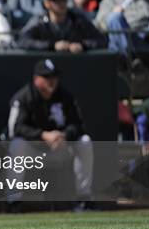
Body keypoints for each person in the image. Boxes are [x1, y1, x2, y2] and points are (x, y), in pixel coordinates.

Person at [7, 59, 93, 207]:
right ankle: (14, 202)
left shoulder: (66, 97)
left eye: (54, 77)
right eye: (47, 77)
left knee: (84, 141)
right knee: (17, 145)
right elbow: (15, 129)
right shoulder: (23, 97)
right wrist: (43, 135)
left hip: (60, 148)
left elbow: (77, 124)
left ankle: (84, 198)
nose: (51, 81)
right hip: (33, 151)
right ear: (36, 79)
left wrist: (64, 135)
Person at [18, 0, 107, 52]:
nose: (61, 3)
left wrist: (83, 45)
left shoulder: (77, 19)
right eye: (56, 0)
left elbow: (101, 40)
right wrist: (52, 46)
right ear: (47, 3)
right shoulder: (40, 21)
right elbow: (22, 41)